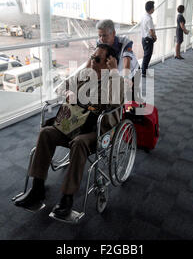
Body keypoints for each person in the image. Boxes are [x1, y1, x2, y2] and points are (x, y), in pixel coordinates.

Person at [15, 44, 124, 217]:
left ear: (109, 62)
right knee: (46, 133)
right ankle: (37, 188)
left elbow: (116, 103)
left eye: (97, 59)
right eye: (92, 57)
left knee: (79, 143)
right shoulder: (85, 76)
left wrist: (114, 72)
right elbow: (60, 88)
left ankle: (67, 197)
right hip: (72, 125)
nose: (92, 61)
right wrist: (68, 92)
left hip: (95, 132)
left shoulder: (114, 81)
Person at [140, 1, 157, 76]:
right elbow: (151, 31)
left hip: (144, 39)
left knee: (146, 55)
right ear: (151, 9)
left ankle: (144, 71)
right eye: (153, 7)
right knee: (147, 56)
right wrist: (155, 37)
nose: (154, 9)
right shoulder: (148, 18)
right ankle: (144, 72)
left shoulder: (144, 16)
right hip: (148, 39)